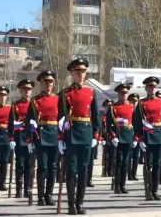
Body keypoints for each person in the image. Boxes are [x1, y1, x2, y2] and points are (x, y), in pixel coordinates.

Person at [57, 58, 100, 215]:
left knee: (83, 170)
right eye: (77, 72)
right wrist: (60, 138)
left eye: (83, 72)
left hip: (87, 132)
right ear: (71, 74)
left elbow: (95, 115)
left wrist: (96, 134)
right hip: (71, 133)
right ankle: (70, 204)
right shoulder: (65, 93)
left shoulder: (91, 92)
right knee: (71, 170)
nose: (81, 75)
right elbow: (61, 118)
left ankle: (80, 203)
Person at [26, 70, 59, 206]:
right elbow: (29, 121)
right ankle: (40, 196)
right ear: (41, 83)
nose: (48, 84)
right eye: (46, 81)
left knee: (53, 167)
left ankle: (49, 195)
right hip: (41, 135)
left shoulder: (58, 99)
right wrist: (29, 140)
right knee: (42, 167)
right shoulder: (35, 100)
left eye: (51, 81)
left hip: (55, 134)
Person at [133, 76, 161, 200]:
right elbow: (137, 122)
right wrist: (140, 138)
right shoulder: (141, 104)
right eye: (150, 87)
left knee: (158, 164)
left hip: (159, 134)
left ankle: (155, 190)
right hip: (147, 136)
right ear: (146, 88)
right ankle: (148, 190)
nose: (153, 89)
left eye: (154, 87)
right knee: (149, 164)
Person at [107, 83, 135, 194]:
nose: (124, 95)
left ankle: (123, 185)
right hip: (118, 137)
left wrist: (136, 138)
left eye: (125, 93)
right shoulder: (113, 107)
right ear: (118, 94)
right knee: (118, 162)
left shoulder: (132, 107)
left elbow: (136, 123)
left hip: (128, 135)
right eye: (121, 93)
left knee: (126, 162)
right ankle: (117, 185)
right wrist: (113, 136)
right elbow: (109, 125)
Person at [8, 79, 35, 198]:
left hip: (32, 136)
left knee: (29, 164)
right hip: (20, 136)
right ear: (21, 91)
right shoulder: (16, 105)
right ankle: (18, 189)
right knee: (19, 163)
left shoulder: (34, 103)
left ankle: (27, 188)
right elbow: (11, 123)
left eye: (29, 89)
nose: (27, 92)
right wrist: (11, 139)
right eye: (25, 90)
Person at [128, 93, 141, 181]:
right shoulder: (128, 110)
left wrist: (137, 137)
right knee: (129, 157)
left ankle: (134, 173)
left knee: (136, 156)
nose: (134, 103)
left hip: (137, 137)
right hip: (128, 136)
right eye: (132, 101)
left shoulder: (139, 111)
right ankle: (128, 174)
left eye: (136, 101)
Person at [101, 99, 114, 177]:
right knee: (106, 156)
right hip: (105, 138)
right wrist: (102, 138)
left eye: (110, 106)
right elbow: (100, 128)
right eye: (107, 106)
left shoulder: (113, 116)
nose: (108, 107)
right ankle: (105, 171)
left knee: (112, 156)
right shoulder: (102, 116)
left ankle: (110, 170)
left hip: (112, 137)